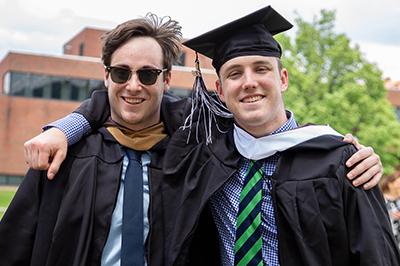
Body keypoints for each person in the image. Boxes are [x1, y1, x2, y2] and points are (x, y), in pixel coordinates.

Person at [23, 6, 387, 266]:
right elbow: (131, 104)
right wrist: (64, 128)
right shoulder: (208, 148)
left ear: (283, 78)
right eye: (234, 73)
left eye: (261, 68)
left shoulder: (342, 162)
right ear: (219, 88)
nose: (249, 82)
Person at [0, 13, 185, 265]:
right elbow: (14, 246)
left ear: (167, 79)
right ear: (106, 76)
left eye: (148, 74)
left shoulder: (190, 161)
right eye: (121, 73)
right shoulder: (66, 155)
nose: (133, 85)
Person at [381, 169, 400, 247]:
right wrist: (390, 215)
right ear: (390, 184)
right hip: (387, 242)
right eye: (399, 183)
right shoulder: (381, 200)